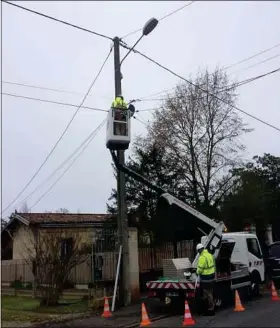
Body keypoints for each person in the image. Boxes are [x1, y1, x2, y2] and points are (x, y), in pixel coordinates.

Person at [196, 243, 216, 316]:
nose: (198, 252)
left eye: (198, 251)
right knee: (209, 293)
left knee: (207, 293)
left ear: (199, 250)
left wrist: (196, 272)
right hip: (211, 276)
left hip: (205, 278)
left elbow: (200, 269)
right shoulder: (209, 255)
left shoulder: (202, 257)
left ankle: (210, 309)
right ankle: (208, 308)